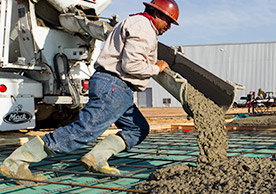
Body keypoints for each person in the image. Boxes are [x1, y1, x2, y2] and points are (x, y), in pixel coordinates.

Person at [0, 0, 179, 184]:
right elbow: (131, 65)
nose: (169, 27)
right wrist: (156, 68)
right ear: (158, 14)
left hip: (117, 88)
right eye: (168, 22)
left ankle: (96, 158)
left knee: (137, 128)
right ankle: (17, 161)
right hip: (114, 85)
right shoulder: (144, 27)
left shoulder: (134, 22)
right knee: (84, 131)